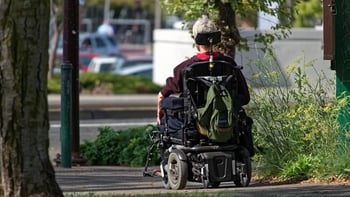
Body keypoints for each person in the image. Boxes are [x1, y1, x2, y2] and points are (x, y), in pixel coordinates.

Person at [156, 15, 250, 125]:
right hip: (225, 123)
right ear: (215, 40)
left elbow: (162, 95)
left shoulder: (185, 68)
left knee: (166, 110)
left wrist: (159, 114)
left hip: (193, 124)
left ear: (196, 41)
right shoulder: (229, 65)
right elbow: (245, 97)